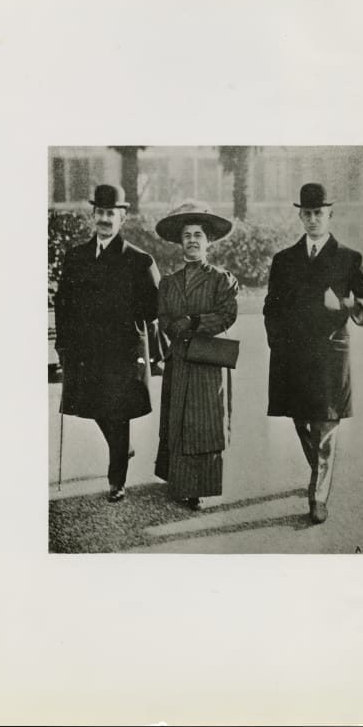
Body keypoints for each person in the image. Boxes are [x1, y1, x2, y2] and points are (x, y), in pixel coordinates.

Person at [263, 183, 363, 524]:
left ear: (330, 214)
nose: (313, 219)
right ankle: (320, 474)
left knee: (325, 427)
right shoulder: (284, 260)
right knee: (303, 422)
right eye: (308, 213)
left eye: (319, 213)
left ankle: (318, 496)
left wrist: (345, 303)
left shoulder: (349, 258)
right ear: (300, 215)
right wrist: (277, 342)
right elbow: (272, 307)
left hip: (330, 356)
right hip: (293, 357)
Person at [54, 184, 160, 503]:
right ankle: (122, 447)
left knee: (117, 412)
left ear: (122, 217)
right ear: (93, 215)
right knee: (94, 406)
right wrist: (63, 346)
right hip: (85, 350)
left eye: (110, 213)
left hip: (122, 351)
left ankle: (117, 480)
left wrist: (129, 322)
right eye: (99, 212)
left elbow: (153, 307)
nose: (104, 219)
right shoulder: (76, 258)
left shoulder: (139, 261)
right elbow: (63, 304)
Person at [154, 200, 239, 511]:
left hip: (207, 361)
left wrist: (194, 322)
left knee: (205, 422)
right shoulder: (169, 282)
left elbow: (227, 314)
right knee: (178, 420)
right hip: (179, 361)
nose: (192, 240)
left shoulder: (221, 279)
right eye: (187, 235)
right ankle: (178, 481)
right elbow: (162, 316)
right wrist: (173, 327)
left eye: (198, 235)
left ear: (209, 242)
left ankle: (200, 487)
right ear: (180, 242)